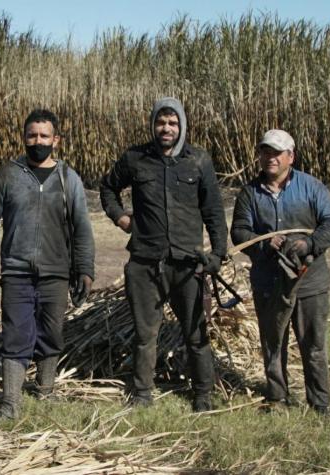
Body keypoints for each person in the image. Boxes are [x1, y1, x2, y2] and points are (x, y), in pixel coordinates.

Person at [99, 98, 227, 412]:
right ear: (153, 124)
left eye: (172, 123)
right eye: (160, 122)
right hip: (144, 262)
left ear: (181, 125)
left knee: (195, 332)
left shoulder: (198, 160)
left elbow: (213, 213)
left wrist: (218, 255)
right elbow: (107, 187)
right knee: (145, 334)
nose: (166, 128)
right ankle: (143, 394)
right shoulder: (135, 158)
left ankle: (202, 394)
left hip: (187, 264)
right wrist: (120, 217)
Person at [0, 109, 95, 420]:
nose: (37, 141)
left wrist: (85, 270)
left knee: (51, 332)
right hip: (16, 271)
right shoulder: (6, 175)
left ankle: (46, 391)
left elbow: (81, 228)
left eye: (43, 136)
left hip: (56, 272)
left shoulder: (69, 179)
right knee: (15, 334)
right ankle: (10, 404)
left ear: (56, 140)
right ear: (24, 137)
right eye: (31, 135)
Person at [231, 129, 330, 414]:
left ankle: (320, 403)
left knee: (313, 345)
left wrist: (310, 243)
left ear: (290, 157)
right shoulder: (249, 194)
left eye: (276, 153)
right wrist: (266, 243)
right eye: (265, 152)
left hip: (310, 281)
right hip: (269, 282)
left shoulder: (311, 187)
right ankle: (278, 398)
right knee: (272, 342)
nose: (270, 158)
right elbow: (240, 232)